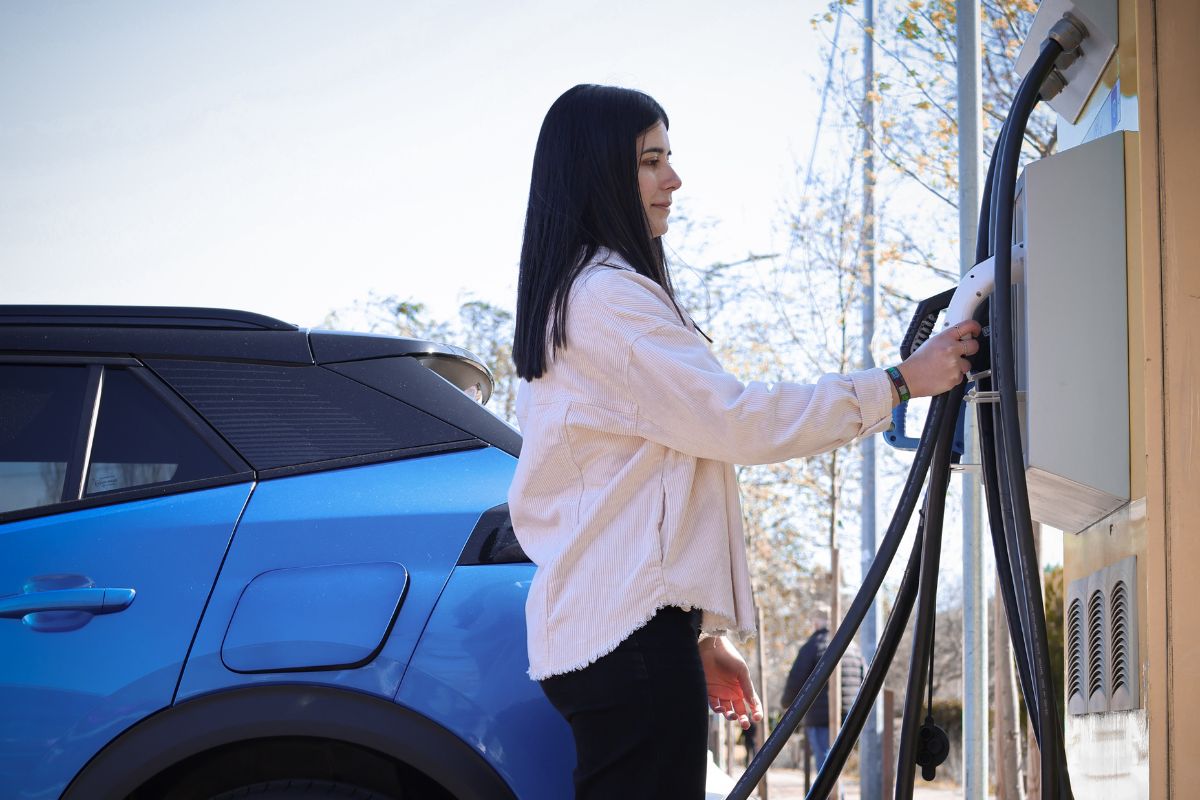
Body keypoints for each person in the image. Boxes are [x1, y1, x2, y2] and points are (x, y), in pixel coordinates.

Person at [508, 84, 979, 800]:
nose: (674, 179)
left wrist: (696, 635)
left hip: (611, 631)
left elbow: (645, 484)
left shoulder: (581, 297)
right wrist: (899, 382)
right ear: (598, 172)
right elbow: (737, 420)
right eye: (650, 161)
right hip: (626, 640)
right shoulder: (608, 299)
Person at [779, 613, 866, 772]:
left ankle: (832, 796)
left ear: (817, 622)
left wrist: (786, 702)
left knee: (825, 765)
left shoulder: (812, 646)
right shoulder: (852, 646)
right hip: (849, 715)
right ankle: (836, 795)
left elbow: (797, 678)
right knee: (837, 765)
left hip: (821, 716)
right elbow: (864, 679)